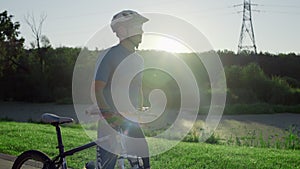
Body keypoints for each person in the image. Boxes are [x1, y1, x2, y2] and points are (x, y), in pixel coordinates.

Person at [93, 10, 150, 169]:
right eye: (137, 27)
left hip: (130, 121)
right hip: (111, 120)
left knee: (143, 160)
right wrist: (108, 115)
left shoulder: (139, 60)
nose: (142, 31)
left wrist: (140, 110)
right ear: (123, 31)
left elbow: (137, 87)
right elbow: (97, 89)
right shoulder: (110, 56)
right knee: (108, 164)